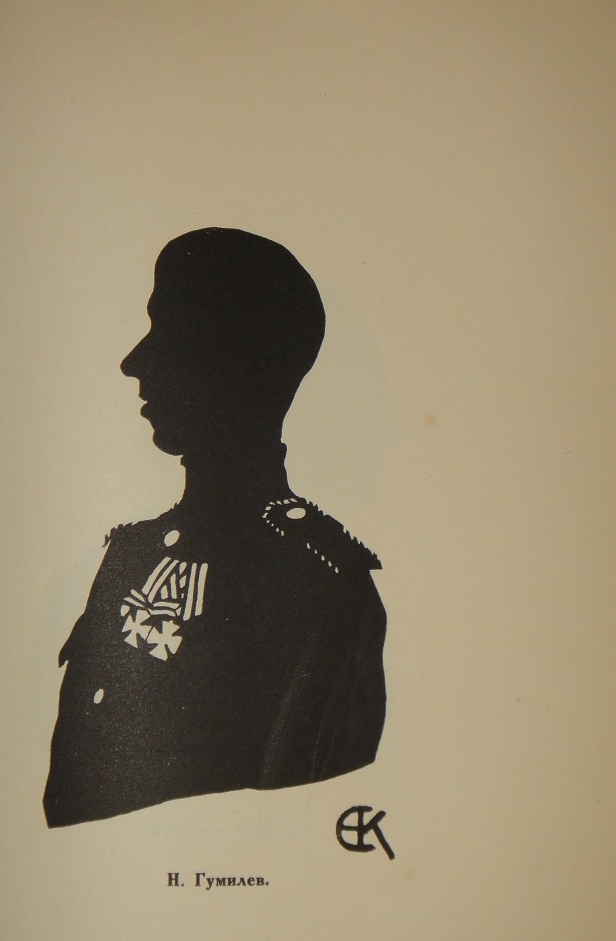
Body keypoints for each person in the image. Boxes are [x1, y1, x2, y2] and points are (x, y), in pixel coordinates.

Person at [43, 227, 386, 827]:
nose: (134, 362)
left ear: (233, 362)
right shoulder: (129, 553)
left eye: (168, 332)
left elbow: (298, 818)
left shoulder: (323, 583)